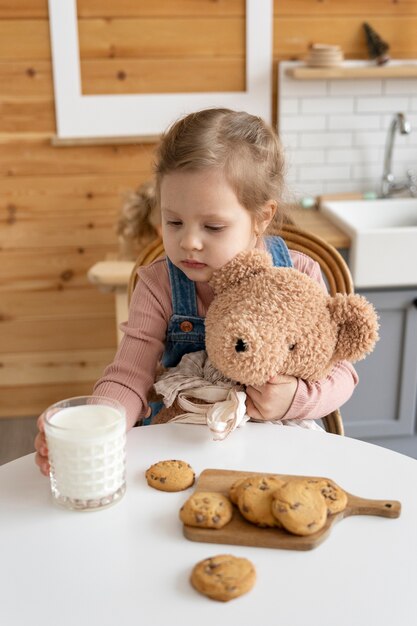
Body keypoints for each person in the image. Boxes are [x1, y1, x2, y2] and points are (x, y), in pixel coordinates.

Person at [35, 107, 358, 475]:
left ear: (262, 217)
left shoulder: (299, 274)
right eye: (173, 221)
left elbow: (342, 376)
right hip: (180, 446)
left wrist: (294, 400)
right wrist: (94, 426)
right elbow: (128, 375)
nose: (189, 242)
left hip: (279, 450)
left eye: (213, 226)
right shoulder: (160, 284)